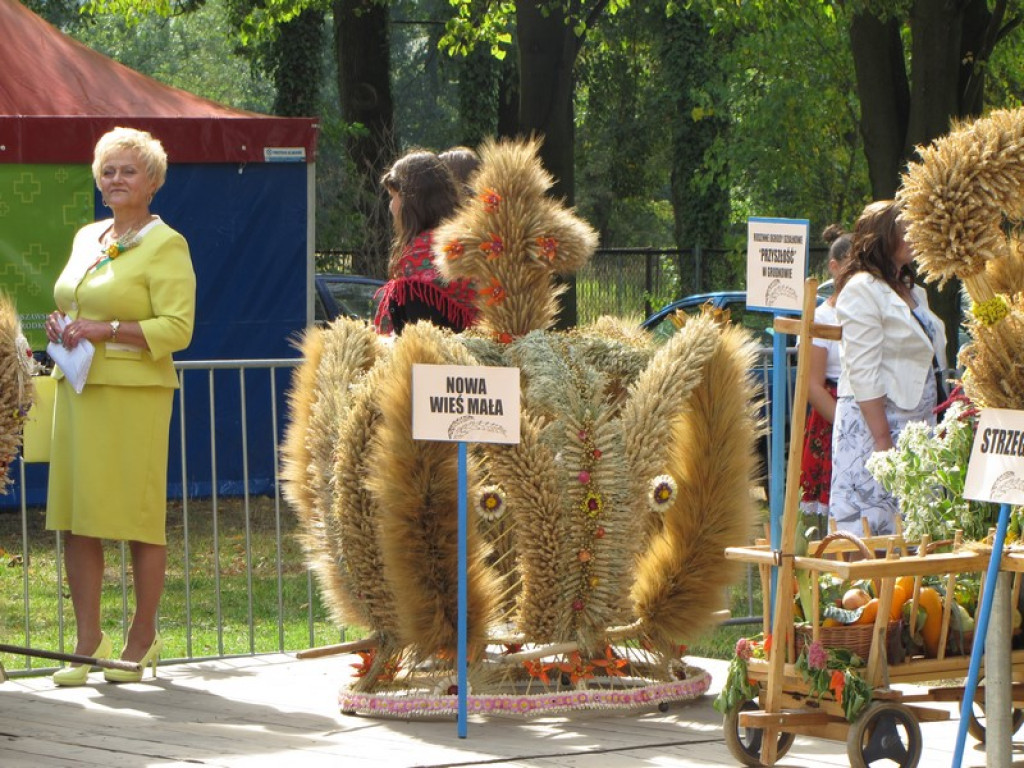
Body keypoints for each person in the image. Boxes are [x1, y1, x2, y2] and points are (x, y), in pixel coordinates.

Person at [44, 127, 196, 685]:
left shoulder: (167, 244)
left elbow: (178, 328)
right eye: (107, 169)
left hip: (135, 397)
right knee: (79, 519)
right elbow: (74, 299)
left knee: (136, 519)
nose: (115, 178)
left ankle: (141, 638)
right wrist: (65, 324)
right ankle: (89, 641)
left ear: (152, 181)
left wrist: (106, 329)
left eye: (127, 170)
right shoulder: (88, 236)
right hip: (79, 390)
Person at [830, 200, 947, 536]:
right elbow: (863, 371)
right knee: (872, 533)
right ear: (881, 236)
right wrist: (883, 441)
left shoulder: (913, 291)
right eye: (903, 229)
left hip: (916, 426)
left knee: (915, 533)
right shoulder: (861, 288)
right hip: (878, 428)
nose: (912, 234)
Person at [373, 150, 478, 335]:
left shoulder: (418, 256)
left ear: (411, 200)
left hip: (435, 360)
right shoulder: (470, 242)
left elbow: (417, 334)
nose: (391, 205)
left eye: (394, 196)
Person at [798, 225, 853, 530]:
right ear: (834, 267)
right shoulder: (822, 317)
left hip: (865, 407)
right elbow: (812, 385)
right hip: (832, 416)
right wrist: (846, 424)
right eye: (852, 266)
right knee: (826, 520)